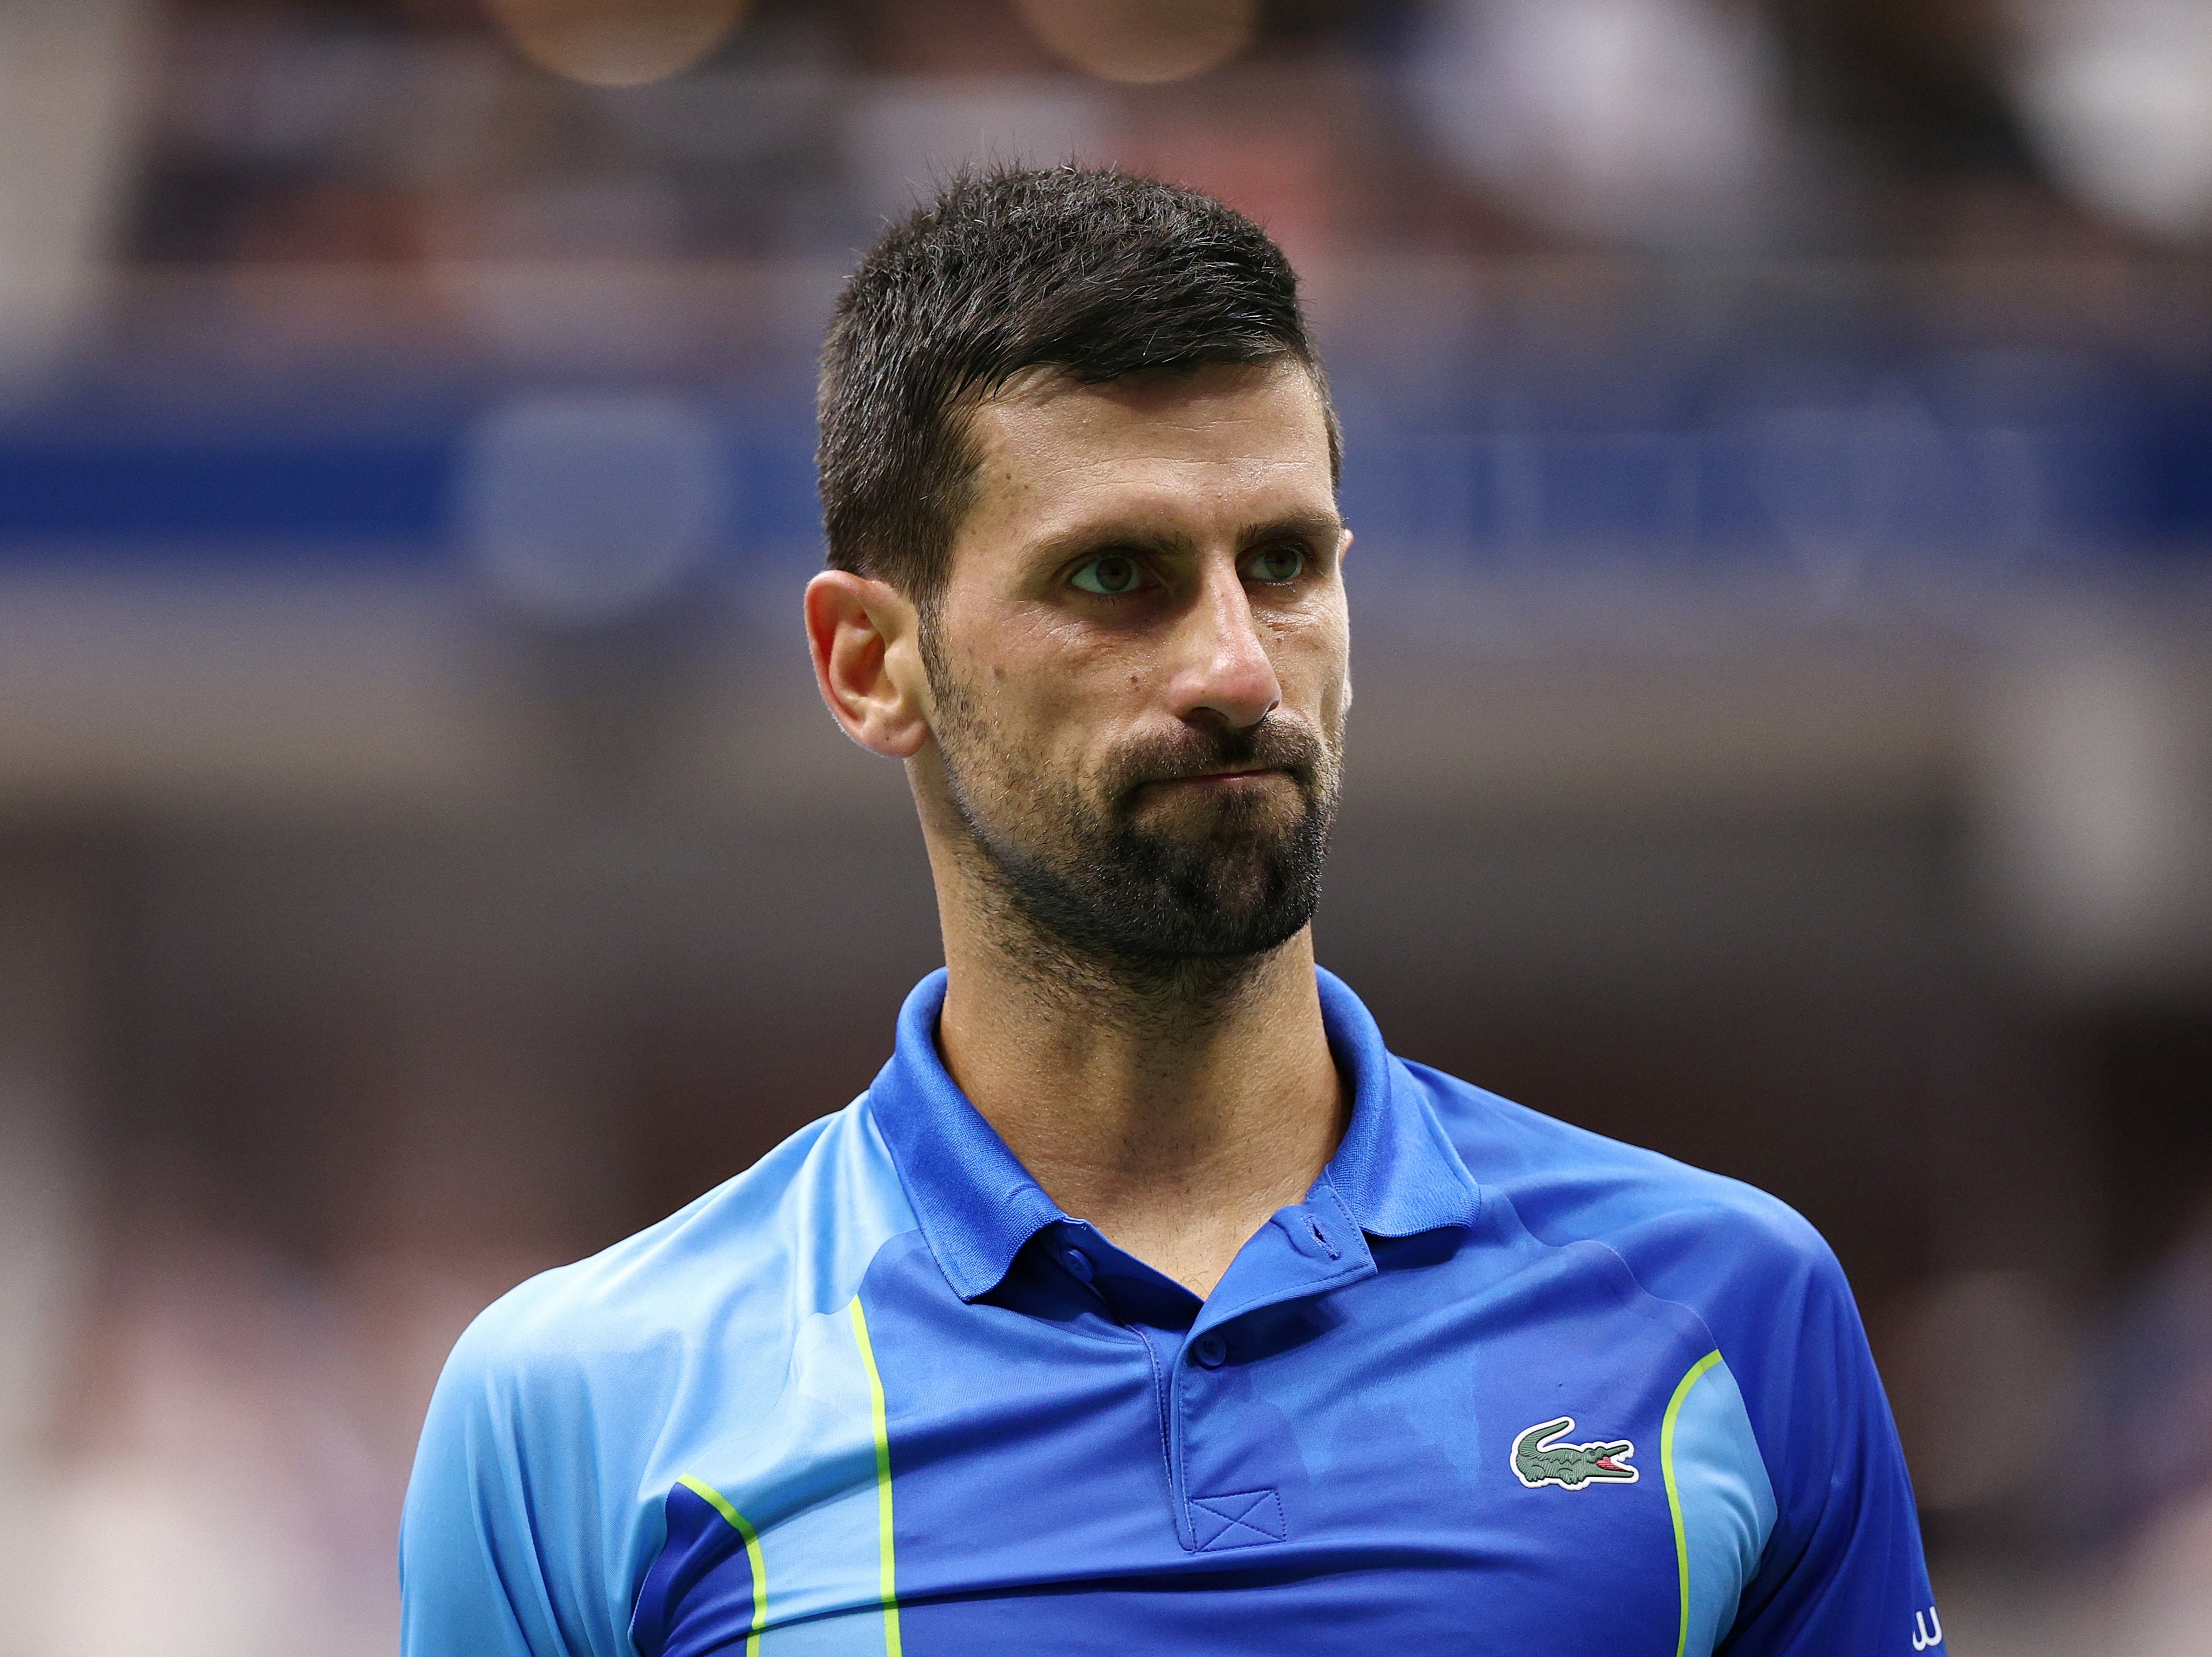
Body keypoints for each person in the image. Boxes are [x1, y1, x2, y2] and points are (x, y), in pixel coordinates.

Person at [400, 167, 1941, 1656]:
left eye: (1282, 563)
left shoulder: (1725, 1313)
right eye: (1117, 576)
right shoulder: (591, 1405)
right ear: (873, 662)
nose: (1239, 669)